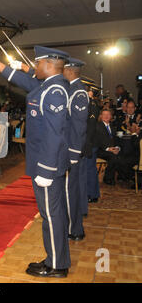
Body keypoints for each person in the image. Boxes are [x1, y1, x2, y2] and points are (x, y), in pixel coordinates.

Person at [0, 45, 71, 277]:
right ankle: (54, 258)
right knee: (52, 214)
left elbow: (55, 133)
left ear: (49, 65)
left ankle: (57, 266)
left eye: (37, 63)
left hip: (47, 165)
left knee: (51, 215)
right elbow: (26, 82)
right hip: (45, 162)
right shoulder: (48, 86)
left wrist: (47, 170)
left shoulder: (54, 92)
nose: (34, 66)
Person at [63, 58, 89, 242]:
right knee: (70, 190)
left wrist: (73, 153)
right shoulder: (71, 89)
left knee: (69, 191)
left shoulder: (78, 92)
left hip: (72, 151)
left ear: (70, 71)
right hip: (69, 149)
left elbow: (78, 127)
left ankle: (74, 229)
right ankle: (73, 227)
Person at [81, 78, 101, 205]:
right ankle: (91, 193)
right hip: (88, 141)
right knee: (89, 168)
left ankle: (91, 194)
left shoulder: (91, 104)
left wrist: (86, 144)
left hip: (89, 142)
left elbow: (90, 126)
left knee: (89, 169)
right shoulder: (89, 103)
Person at [96, 109, 126, 185]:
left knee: (123, 155)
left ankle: (124, 176)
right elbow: (97, 141)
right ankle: (108, 178)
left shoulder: (113, 127)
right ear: (101, 116)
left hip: (111, 149)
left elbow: (116, 140)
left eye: (108, 114)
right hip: (100, 150)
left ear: (111, 117)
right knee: (113, 157)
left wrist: (117, 147)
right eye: (104, 114)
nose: (106, 116)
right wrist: (108, 149)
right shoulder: (97, 126)